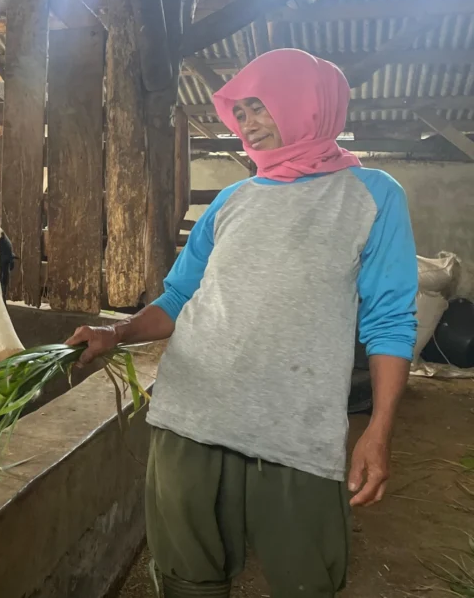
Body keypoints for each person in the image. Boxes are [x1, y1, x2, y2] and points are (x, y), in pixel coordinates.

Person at [67, 48, 418, 598]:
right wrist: (117, 334)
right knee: (188, 576)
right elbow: (179, 297)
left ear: (307, 105)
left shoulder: (372, 196)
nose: (248, 124)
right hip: (192, 413)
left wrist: (379, 429)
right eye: (243, 112)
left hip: (296, 429)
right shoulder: (232, 200)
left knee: (306, 579)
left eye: (262, 107)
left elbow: (390, 320)